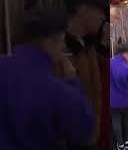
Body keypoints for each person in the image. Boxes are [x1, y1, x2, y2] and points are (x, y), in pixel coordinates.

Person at [0, 8, 95, 150]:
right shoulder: (61, 93)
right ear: (51, 42)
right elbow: (84, 132)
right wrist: (72, 80)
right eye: (61, 42)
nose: (63, 47)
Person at [58, 0, 107, 148]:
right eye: (99, 9)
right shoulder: (59, 49)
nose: (103, 17)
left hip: (90, 137)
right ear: (82, 9)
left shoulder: (89, 47)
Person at [110, 43, 128, 150]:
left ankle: (120, 144)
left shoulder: (110, 63)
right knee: (127, 120)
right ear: (126, 53)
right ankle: (127, 142)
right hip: (126, 100)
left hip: (112, 101)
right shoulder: (127, 69)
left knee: (115, 121)